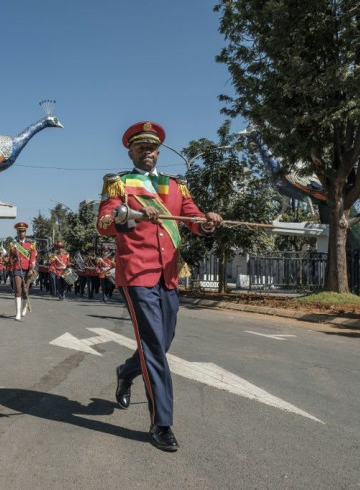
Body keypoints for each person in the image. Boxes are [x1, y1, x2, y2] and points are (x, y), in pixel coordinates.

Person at [96, 121, 223, 452]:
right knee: (154, 346)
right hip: (137, 274)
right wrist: (136, 215)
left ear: (158, 152)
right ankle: (161, 423)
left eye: (152, 148)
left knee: (161, 343)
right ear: (131, 151)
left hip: (169, 274)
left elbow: (193, 220)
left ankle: (126, 370)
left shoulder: (175, 186)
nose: (148, 152)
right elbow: (104, 224)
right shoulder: (119, 184)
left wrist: (208, 222)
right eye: (141, 147)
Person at [8, 222, 37, 320]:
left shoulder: (31, 243)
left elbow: (33, 257)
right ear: (17, 232)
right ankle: (18, 313)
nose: (21, 233)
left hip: (27, 269)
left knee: (25, 291)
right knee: (17, 289)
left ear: (25, 232)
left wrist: (31, 269)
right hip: (17, 267)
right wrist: (13, 256)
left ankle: (24, 307)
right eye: (20, 231)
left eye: (23, 231)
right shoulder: (13, 243)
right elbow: (10, 258)